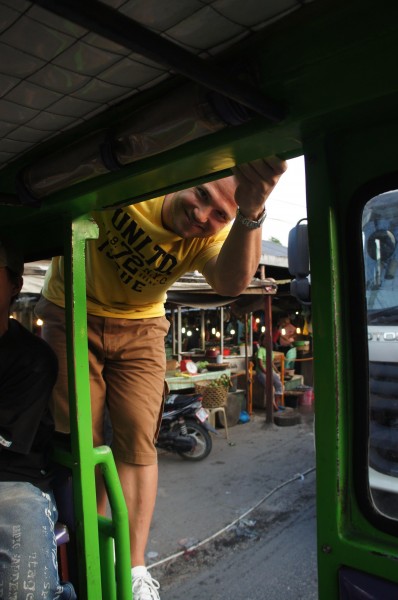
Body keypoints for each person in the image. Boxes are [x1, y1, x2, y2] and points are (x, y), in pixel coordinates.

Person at [35, 156, 287, 599]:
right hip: (71, 307)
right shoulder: (140, 181)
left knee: (137, 439)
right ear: (187, 177)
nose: (201, 215)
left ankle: (132, 567)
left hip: (143, 325)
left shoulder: (220, 233)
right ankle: (94, 550)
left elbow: (230, 283)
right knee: (84, 439)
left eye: (220, 215)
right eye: (201, 195)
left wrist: (251, 213)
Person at [0, 240, 76, 600]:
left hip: (15, 486)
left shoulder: (33, 358)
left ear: (14, 284)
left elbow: (8, 442)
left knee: (26, 591)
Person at [255, 332, 284, 411]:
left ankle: (276, 402)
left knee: (279, 384)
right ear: (262, 341)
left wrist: (277, 371)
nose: (266, 341)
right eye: (265, 340)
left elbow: (271, 363)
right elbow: (260, 363)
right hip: (261, 372)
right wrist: (266, 372)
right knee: (271, 387)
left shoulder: (270, 351)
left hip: (269, 371)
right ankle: (273, 405)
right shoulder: (260, 350)